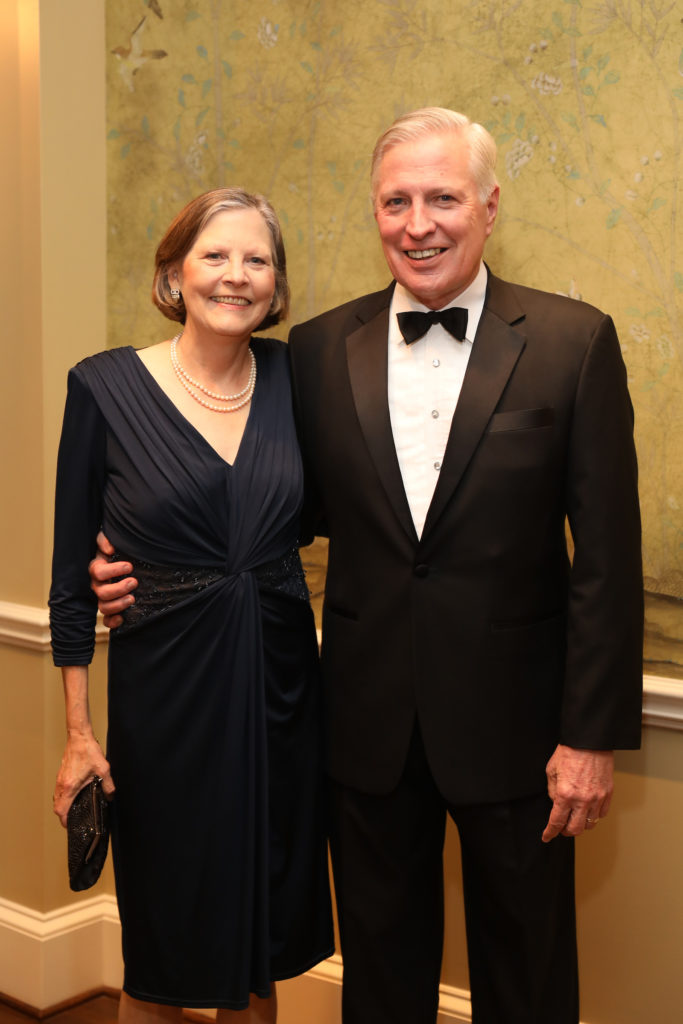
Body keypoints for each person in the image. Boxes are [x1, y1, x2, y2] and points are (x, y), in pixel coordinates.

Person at [92, 109, 644, 1024]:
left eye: (442, 199)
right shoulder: (314, 351)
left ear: (489, 207)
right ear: (374, 211)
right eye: (395, 202)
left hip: (520, 732)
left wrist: (588, 738)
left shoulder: (572, 341)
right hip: (361, 724)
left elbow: (608, 560)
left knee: (529, 976)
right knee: (381, 981)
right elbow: (269, 509)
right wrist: (128, 562)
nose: (416, 224)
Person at [49, 188, 334, 1024]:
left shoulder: (295, 379)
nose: (236, 275)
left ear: (276, 285)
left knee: (259, 954)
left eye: (257, 260)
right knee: (162, 952)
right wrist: (79, 734)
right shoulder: (102, 386)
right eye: (215, 255)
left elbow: (319, 517)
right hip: (165, 704)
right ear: (174, 272)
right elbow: (70, 580)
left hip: (280, 697)